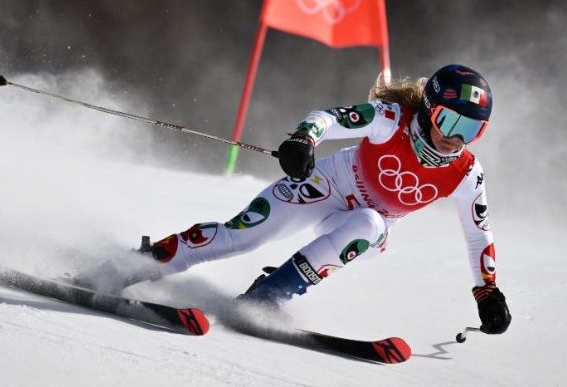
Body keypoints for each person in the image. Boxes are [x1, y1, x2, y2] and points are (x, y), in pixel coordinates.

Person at [92, 64, 511, 335]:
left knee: (369, 225)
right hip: (328, 186)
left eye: (471, 130)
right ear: (429, 110)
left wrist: (487, 292)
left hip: (365, 226)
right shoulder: (391, 121)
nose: (455, 138)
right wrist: (302, 140)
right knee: (242, 236)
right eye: (449, 121)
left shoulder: (465, 173)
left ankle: (268, 296)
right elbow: (328, 118)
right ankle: (131, 266)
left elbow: (478, 235)